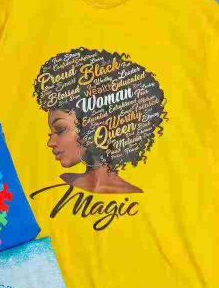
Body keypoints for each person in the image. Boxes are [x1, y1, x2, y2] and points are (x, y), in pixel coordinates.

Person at [34, 47, 167, 194]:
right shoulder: (58, 182)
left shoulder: (139, 195)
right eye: (51, 133)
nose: (50, 142)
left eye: (60, 130)